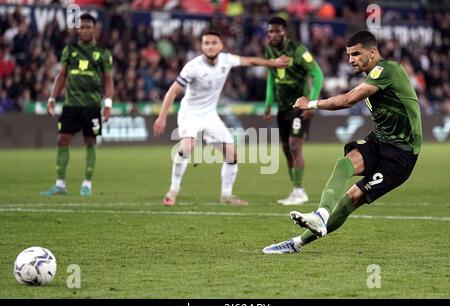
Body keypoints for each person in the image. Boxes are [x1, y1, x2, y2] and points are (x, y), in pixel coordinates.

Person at [263, 30, 422, 254]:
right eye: (349, 55)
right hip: (380, 140)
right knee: (344, 163)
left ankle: (298, 242)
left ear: (373, 52)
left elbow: (347, 100)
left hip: (401, 155)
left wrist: (311, 104)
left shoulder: (387, 70)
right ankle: (320, 216)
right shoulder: (373, 76)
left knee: (352, 198)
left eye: (356, 54)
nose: (351, 60)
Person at [153, 29, 289, 206]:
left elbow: (250, 61)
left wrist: (272, 63)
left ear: (221, 45)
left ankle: (226, 195)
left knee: (232, 153)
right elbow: (172, 91)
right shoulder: (193, 67)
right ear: (201, 46)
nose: (210, 46)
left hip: (210, 115)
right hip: (190, 113)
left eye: (214, 42)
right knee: (187, 147)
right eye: (206, 43)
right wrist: (162, 117)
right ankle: (173, 189)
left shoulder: (226, 60)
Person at [41, 13, 113, 196]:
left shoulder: (102, 53)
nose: (85, 30)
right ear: (78, 30)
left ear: (94, 29)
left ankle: (87, 184)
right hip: (71, 104)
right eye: (82, 27)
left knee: (90, 142)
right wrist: (51, 98)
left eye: (88, 27)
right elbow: (61, 76)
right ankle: (60, 184)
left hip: (92, 104)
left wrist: (108, 103)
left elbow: (108, 80)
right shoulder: (70, 50)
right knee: (62, 139)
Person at [263, 16, 324, 205]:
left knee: (295, 146)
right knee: (286, 149)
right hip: (282, 108)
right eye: (270, 31)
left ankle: (299, 192)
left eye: (277, 31)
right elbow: (272, 77)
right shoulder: (269, 51)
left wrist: (311, 103)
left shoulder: (298, 51)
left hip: (299, 107)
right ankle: (296, 190)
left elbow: (317, 74)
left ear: (285, 32)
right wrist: (268, 103)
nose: (273, 34)